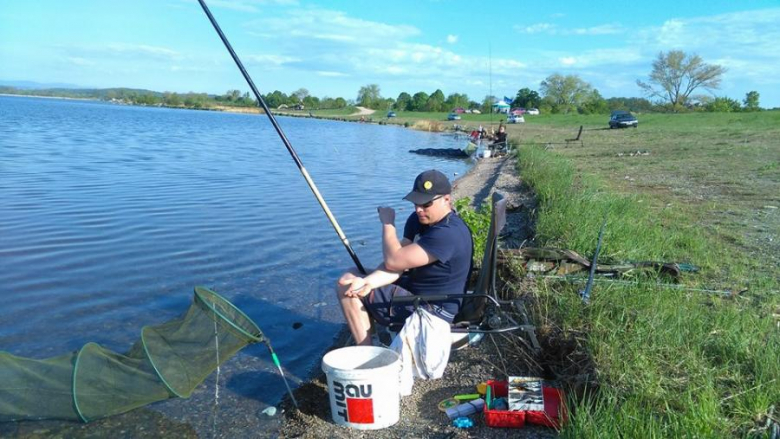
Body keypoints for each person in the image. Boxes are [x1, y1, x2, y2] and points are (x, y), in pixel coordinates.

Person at [336, 170, 474, 346]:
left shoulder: (448, 233)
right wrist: (368, 282)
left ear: (446, 199)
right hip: (416, 292)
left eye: (426, 204)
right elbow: (397, 266)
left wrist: (388, 224)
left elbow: (394, 260)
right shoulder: (419, 220)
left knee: (345, 287)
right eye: (416, 202)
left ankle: (367, 351)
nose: (419, 209)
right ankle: (373, 338)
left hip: (434, 310)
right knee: (352, 274)